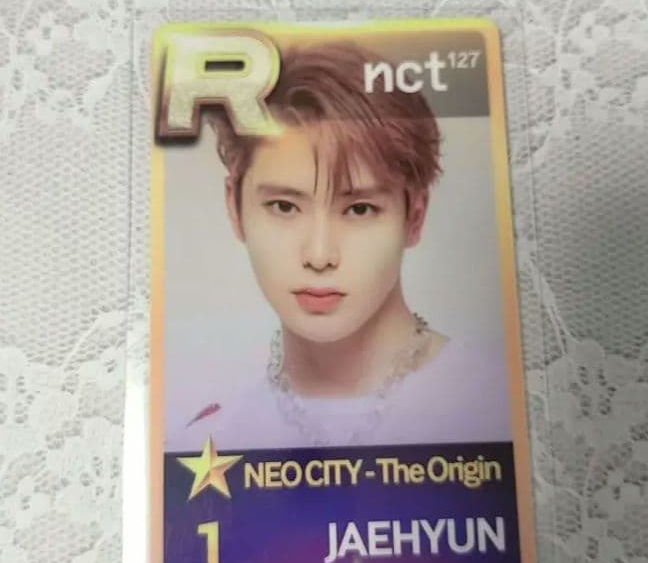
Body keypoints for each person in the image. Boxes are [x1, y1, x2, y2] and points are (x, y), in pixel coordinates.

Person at [166, 42, 511, 451]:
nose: (319, 256)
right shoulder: (208, 441)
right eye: (284, 206)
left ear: (415, 217)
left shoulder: (493, 403)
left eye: (360, 209)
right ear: (234, 208)